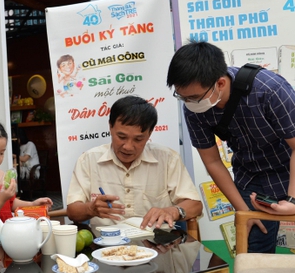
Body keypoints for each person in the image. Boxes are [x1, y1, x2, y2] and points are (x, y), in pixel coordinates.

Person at [166, 40, 295, 253]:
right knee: (253, 246)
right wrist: (243, 212)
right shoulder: (194, 108)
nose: (189, 103)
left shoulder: (268, 90)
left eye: (194, 97)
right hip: (252, 176)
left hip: (289, 169)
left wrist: (292, 200)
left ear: (220, 83)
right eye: (183, 97)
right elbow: (213, 161)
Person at [66, 95, 202, 232]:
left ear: (149, 134)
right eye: (122, 137)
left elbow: (195, 205)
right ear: (110, 127)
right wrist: (91, 209)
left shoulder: (168, 159)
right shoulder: (88, 160)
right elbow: (72, 212)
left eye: (138, 139)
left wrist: (172, 211)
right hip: (104, 246)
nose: (128, 147)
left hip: (157, 244)